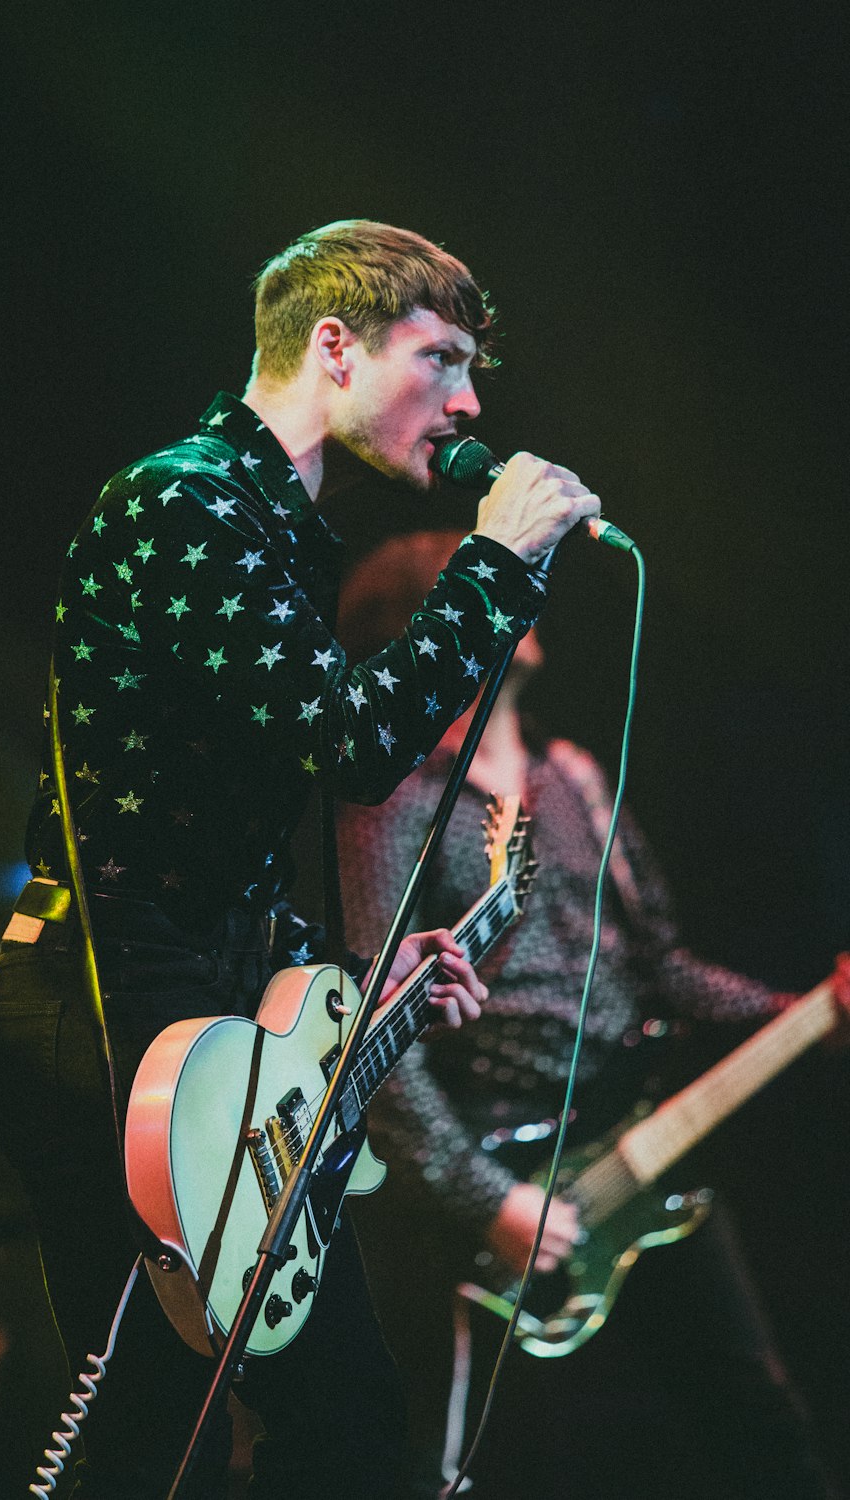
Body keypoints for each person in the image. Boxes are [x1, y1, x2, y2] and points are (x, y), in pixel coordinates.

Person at [0, 221, 604, 1500]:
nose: (469, 401)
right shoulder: (184, 502)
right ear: (333, 345)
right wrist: (498, 561)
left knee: (344, 1418)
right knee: (155, 1431)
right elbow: (359, 743)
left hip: (208, 1000)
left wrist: (359, 975)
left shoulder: (267, 527)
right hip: (106, 1005)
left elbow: (231, 833)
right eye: (443, 359)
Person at [337, 529, 850, 1500]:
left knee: (756, 1417)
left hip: (633, 1142)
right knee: (461, 1467)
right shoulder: (393, 797)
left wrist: (806, 1010)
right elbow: (375, 1028)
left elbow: (659, 968)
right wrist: (483, 1197)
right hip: (489, 1173)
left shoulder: (571, 777)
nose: (524, 595)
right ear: (431, 621)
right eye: (488, 578)